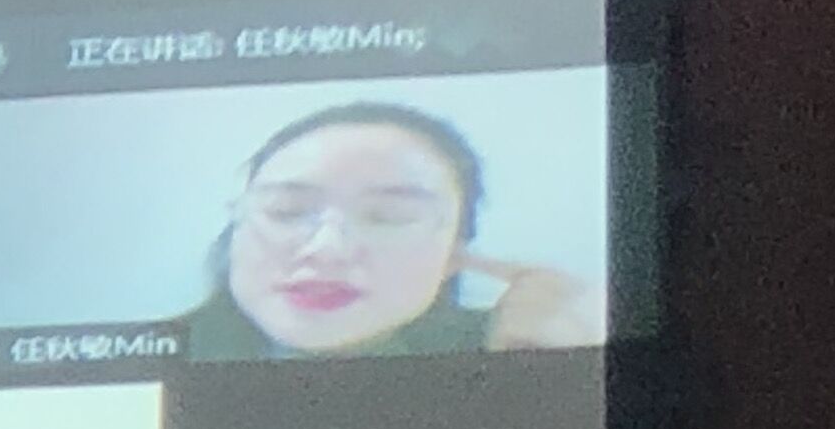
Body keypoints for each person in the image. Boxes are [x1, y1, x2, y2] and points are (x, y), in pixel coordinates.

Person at [184, 99, 606, 358]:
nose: (326, 249)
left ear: (454, 254)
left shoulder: (515, 345)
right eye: (287, 211)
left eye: (387, 218)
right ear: (236, 227)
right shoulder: (166, 351)